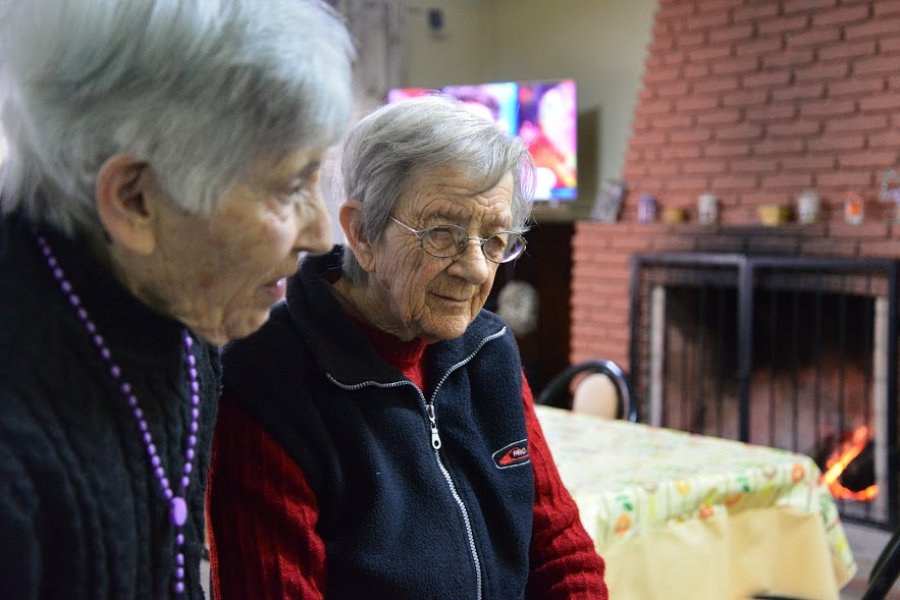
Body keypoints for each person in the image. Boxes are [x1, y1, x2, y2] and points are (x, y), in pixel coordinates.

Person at [0, 1, 353, 597]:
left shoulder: (184, 313)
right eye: (291, 186)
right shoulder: (16, 447)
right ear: (136, 198)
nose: (322, 235)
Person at [208, 95, 609, 599]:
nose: (478, 268)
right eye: (442, 232)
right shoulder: (266, 381)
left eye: (495, 238)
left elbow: (560, 551)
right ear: (362, 233)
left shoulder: (488, 349)